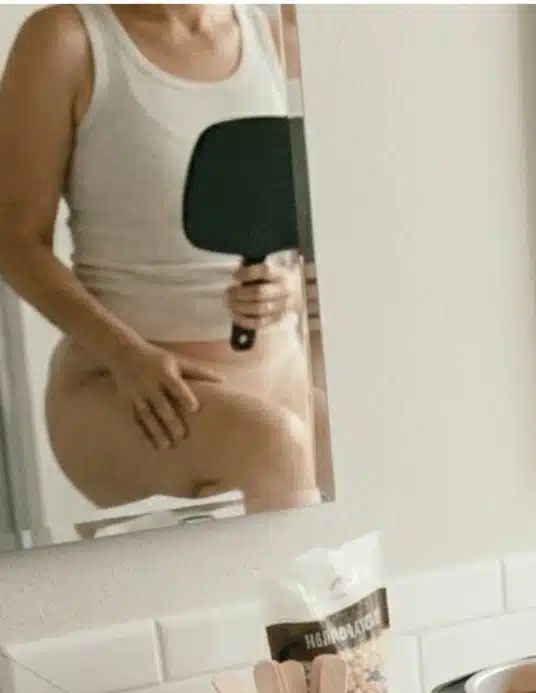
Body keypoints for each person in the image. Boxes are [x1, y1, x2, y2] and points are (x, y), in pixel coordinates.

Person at [0, 4, 320, 517]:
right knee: (273, 446)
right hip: (127, 388)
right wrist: (126, 355)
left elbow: (330, 205)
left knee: (378, 454)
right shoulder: (66, 39)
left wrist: (288, 282)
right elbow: (13, 240)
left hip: (280, 369)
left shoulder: (277, 27)